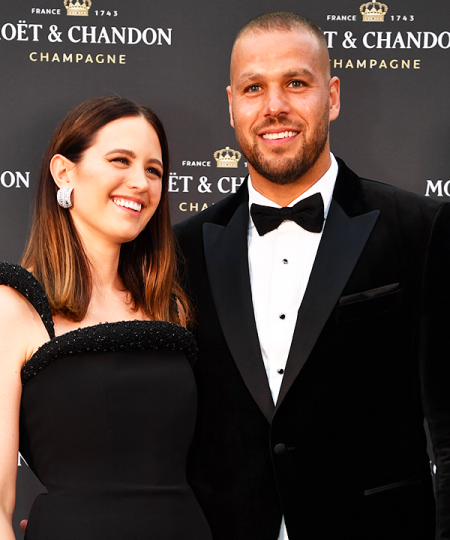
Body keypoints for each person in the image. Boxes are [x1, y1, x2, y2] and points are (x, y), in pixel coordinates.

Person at [175, 12, 450, 540]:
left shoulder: (421, 228)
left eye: (296, 83)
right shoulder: (183, 250)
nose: (274, 106)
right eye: (254, 88)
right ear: (232, 105)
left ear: (334, 96)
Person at [0, 96, 211, 539]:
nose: (139, 181)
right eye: (120, 160)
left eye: (154, 170)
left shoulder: (169, 306)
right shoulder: (9, 306)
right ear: (64, 172)